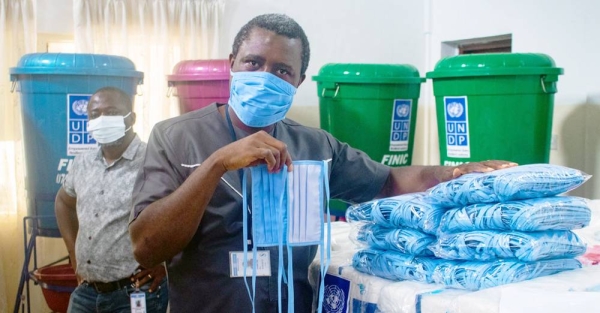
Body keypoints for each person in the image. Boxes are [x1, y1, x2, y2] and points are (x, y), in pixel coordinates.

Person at [128, 13, 516, 313]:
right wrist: (216, 165)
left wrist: (453, 173)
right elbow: (146, 247)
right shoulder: (176, 137)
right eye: (253, 62)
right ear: (232, 63)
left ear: (298, 81)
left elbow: (388, 182)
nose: (266, 76)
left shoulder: (315, 146)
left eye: (282, 71)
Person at [55, 87, 168, 313]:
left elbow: (183, 214)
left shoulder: (153, 160)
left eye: (112, 112)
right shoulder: (83, 163)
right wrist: (73, 253)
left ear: (131, 118)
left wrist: (167, 263)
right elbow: (63, 203)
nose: (102, 120)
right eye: (95, 115)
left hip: (135, 291)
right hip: (86, 292)